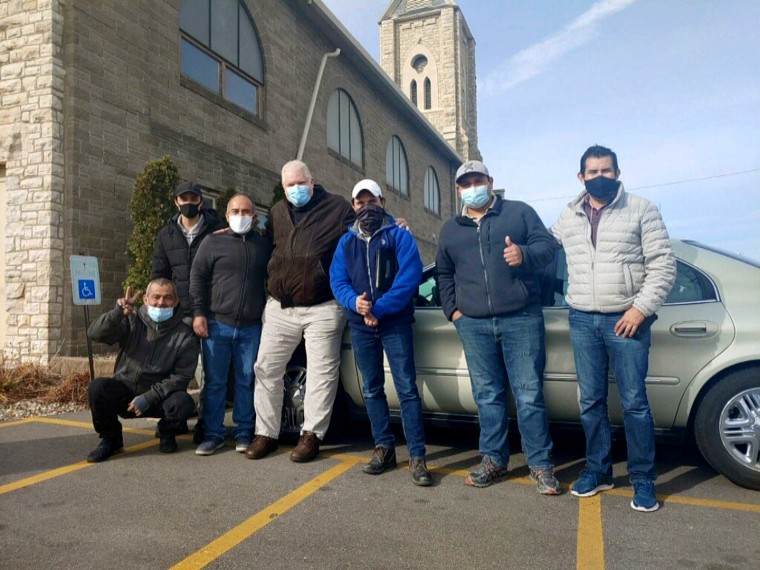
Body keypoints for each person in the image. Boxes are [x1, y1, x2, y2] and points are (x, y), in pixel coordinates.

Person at [551, 145, 676, 512]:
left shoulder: (641, 209)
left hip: (625, 320)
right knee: (590, 402)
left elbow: (663, 266)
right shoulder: (568, 215)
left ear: (618, 173)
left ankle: (642, 479)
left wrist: (640, 309)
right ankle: (599, 470)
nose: (600, 177)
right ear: (581, 177)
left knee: (635, 403)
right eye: (593, 172)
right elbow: (542, 245)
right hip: (581, 319)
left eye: (606, 170)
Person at [436, 160, 561, 494]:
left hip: (521, 318)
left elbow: (548, 248)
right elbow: (444, 274)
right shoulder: (450, 229)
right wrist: (454, 313)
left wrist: (524, 253)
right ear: (458, 189)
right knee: (487, 395)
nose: (472, 187)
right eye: (465, 183)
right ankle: (493, 460)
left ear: (490, 182)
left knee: (529, 394)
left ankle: (540, 465)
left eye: (478, 180)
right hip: (473, 324)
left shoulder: (518, 213)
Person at [245, 160, 354, 463]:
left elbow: (360, 236)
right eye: (290, 185)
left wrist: (390, 223)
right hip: (281, 306)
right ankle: (266, 433)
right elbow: (266, 245)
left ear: (311, 180)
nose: (296, 189)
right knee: (266, 368)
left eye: (300, 183)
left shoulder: (337, 207)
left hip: (323, 305)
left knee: (321, 372)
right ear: (283, 188)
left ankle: (311, 435)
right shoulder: (278, 211)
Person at [329, 179, 431, 486]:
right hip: (361, 326)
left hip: (394, 323)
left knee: (407, 389)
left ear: (382, 202)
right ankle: (384, 448)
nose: (366, 207)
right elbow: (338, 281)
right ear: (353, 207)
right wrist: (355, 304)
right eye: (360, 203)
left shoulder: (399, 236)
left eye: (371, 201)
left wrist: (379, 308)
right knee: (371, 389)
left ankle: (417, 456)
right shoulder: (345, 243)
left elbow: (409, 278)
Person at [189, 194, 271, 456]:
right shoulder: (212, 242)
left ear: (254, 215)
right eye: (235, 210)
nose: (241, 215)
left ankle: (244, 431)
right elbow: (197, 279)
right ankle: (213, 434)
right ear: (226, 215)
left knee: (247, 380)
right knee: (215, 383)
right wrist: (199, 314)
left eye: (246, 211)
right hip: (216, 325)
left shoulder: (263, 245)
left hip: (251, 327)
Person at [86, 279, 199, 463]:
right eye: (156, 297)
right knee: (97, 388)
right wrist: (117, 314)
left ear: (176, 301)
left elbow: (181, 376)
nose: (161, 303)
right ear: (146, 299)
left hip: (158, 398)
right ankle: (111, 439)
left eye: (167, 298)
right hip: (126, 393)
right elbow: (95, 334)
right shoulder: (130, 320)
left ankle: (166, 431)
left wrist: (149, 397)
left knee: (183, 402)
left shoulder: (184, 334)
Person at [151, 180, 225, 443]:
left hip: (211, 311)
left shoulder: (218, 230)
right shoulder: (166, 234)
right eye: (183, 198)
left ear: (201, 202)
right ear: (176, 202)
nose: (188, 203)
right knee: (176, 369)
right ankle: (174, 418)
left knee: (210, 372)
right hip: (179, 314)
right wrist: (158, 305)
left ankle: (206, 422)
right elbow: (159, 274)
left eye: (193, 198)